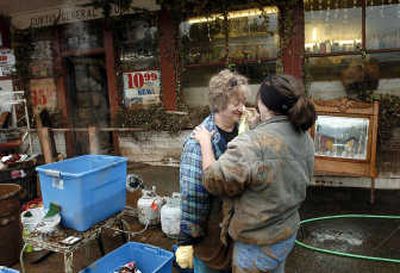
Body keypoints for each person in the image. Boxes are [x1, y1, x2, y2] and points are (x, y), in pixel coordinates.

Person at [193, 74, 316, 273]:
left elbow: (212, 180)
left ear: (263, 103)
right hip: (286, 234)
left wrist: (205, 142)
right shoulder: (303, 135)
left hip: (257, 244)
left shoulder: (252, 143)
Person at [175, 69, 252, 272]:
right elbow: (192, 193)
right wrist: (188, 237)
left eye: (244, 101)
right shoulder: (198, 142)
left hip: (237, 228)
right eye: (236, 103)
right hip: (211, 229)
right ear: (219, 103)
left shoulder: (243, 130)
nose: (242, 108)